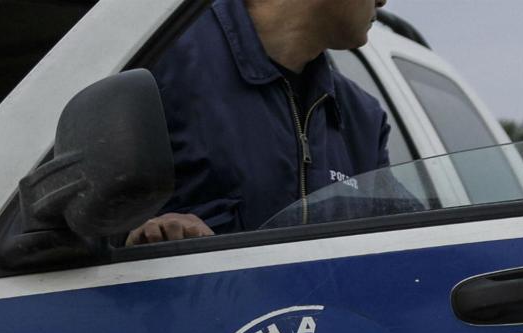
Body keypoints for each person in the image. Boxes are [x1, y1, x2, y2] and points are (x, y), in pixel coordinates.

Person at [126, 0, 393, 245]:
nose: (383, 1)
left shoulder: (364, 119)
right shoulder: (157, 54)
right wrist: (139, 235)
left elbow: (395, 254)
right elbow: (102, 210)